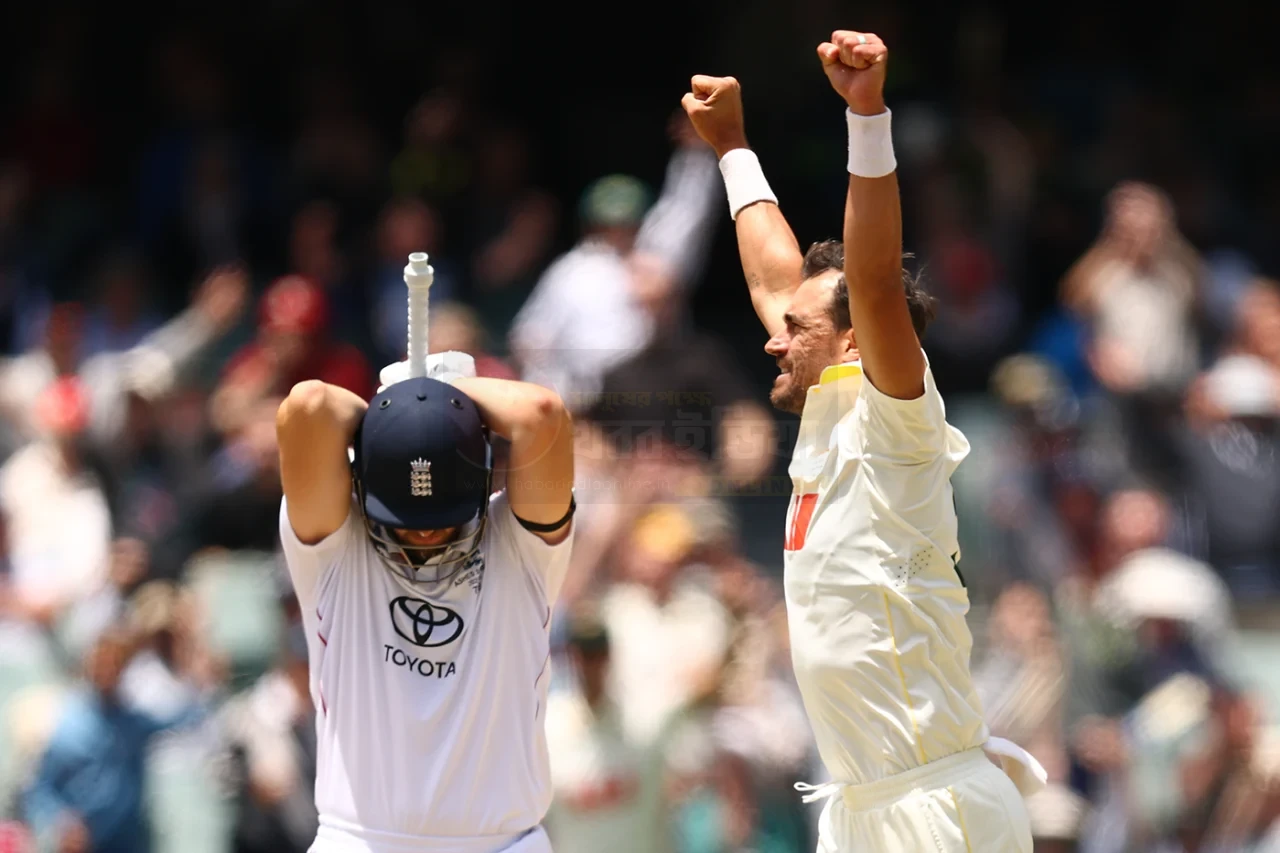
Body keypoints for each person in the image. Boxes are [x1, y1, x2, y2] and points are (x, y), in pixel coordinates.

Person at [681, 29, 1045, 852]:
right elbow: (779, 280)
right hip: (859, 809)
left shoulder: (896, 413)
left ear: (852, 340)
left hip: (938, 811)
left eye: (798, 329)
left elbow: (873, 280)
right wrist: (734, 148)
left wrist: (868, 116)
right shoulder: (825, 399)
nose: (774, 338)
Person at [274, 363, 575, 852]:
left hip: (504, 843)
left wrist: (442, 403)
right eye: (406, 519)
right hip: (357, 841)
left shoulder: (522, 547)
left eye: (443, 516)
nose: (426, 533)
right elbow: (308, 407)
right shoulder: (334, 547)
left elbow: (542, 415)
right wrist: (399, 416)